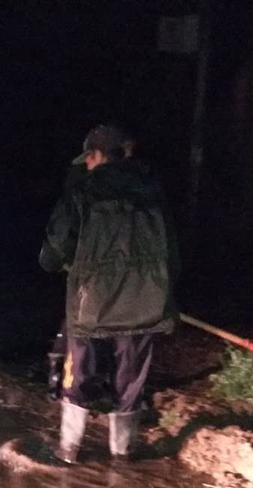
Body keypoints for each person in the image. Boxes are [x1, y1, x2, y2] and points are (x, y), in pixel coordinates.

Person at [39, 124, 178, 463]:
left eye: (88, 158)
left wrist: (55, 262)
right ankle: (123, 452)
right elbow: (172, 250)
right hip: (145, 301)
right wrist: (164, 292)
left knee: (79, 370)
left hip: (91, 301)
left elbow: (55, 248)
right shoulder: (152, 191)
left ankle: (69, 450)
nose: (86, 164)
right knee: (131, 377)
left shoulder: (83, 190)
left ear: (99, 155)